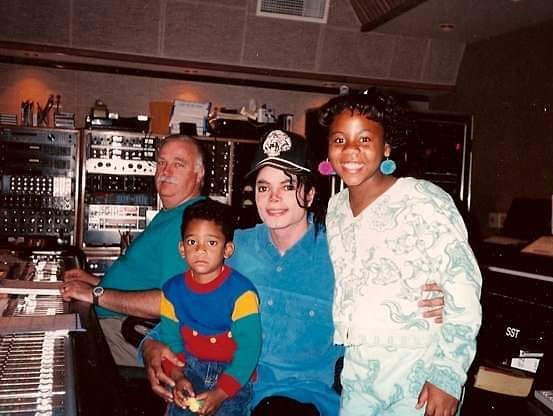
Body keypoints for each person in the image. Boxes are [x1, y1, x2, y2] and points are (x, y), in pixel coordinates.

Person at [141, 129, 446, 415]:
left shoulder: (341, 254)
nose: (274, 198)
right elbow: (184, 304)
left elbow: (401, 304)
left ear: (311, 194)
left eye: (288, 186)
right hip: (221, 388)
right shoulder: (233, 248)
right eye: (264, 187)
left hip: (294, 398)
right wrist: (152, 345)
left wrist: (429, 314)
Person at [319, 90, 482, 416]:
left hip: (419, 368)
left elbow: (463, 286)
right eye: (340, 140)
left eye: (365, 139)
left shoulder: (422, 199)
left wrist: (447, 375)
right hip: (359, 371)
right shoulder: (335, 208)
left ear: (387, 147)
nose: (351, 150)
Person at [60, 134, 206, 366]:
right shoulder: (171, 213)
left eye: (178, 164)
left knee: (55, 353)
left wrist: (95, 294)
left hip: (126, 332)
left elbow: (170, 302)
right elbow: (148, 280)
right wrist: (96, 282)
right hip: (114, 319)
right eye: (161, 162)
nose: (165, 171)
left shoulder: (191, 222)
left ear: (199, 174)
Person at [160, 198, 261, 415]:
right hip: (189, 371)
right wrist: (178, 378)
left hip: (233, 377)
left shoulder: (242, 293)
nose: (200, 250)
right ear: (182, 248)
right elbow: (171, 341)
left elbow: (249, 350)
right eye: (192, 242)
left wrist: (222, 392)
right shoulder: (171, 291)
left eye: (212, 243)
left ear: (228, 249)